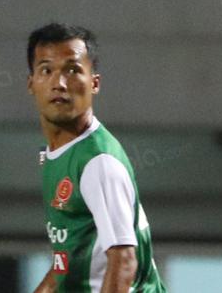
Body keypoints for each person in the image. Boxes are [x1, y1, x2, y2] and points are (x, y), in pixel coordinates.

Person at [27, 23, 165, 293]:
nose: (59, 83)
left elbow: (124, 260)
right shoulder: (59, 153)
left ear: (94, 83)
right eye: (46, 70)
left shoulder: (98, 162)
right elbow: (64, 264)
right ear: (31, 83)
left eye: (73, 70)